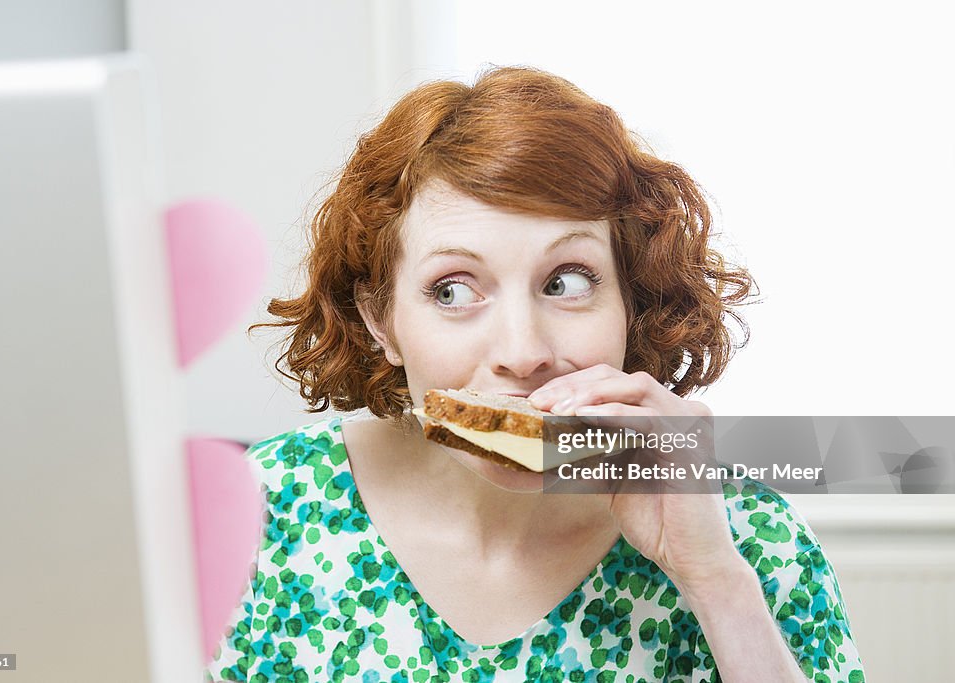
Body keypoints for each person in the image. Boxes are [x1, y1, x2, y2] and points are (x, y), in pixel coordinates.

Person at [205, 67, 864, 682]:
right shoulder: (255, 514)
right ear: (380, 320)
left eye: (566, 281)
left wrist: (716, 582)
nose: (523, 353)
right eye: (452, 291)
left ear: (631, 303)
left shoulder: (750, 539)